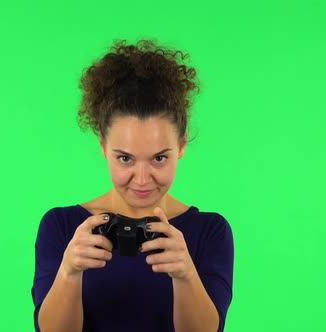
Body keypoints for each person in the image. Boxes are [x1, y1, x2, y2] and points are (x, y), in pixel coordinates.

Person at [31, 39, 234, 332]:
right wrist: (69, 271)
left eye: (159, 158)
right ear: (102, 145)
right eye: (125, 158)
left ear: (181, 145)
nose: (141, 179)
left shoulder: (210, 232)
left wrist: (185, 274)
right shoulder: (62, 227)